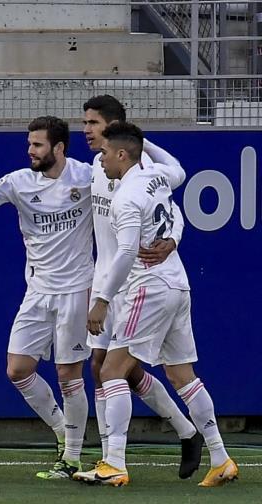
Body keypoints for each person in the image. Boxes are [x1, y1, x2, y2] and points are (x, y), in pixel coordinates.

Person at [78, 122, 238, 487]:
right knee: (184, 377)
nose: (100, 158)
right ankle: (221, 458)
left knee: (111, 372)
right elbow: (179, 168)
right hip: (177, 285)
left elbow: (128, 251)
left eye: (105, 152)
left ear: (121, 154)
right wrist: (143, 141)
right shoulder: (158, 176)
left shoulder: (126, 196)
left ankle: (114, 462)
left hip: (148, 288)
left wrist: (101, 301)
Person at [0, 117, 91, 479]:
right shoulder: (19, 182)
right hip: (37, 291)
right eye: (29, 144)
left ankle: (72, 457)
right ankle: (61, 431)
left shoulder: (88, 176)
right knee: (18, 369)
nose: (30, 150)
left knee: (67, 374)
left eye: (38, 145)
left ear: (59, 148)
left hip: (76, 289)